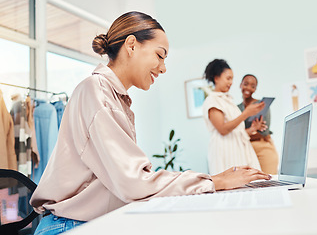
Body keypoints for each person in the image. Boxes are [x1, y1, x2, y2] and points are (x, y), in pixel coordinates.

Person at [29, 12, 270, 235]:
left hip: (91, 221)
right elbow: (134, 183)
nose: (163, 68)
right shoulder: (96, 91)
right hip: (69, 226)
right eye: (160, 55)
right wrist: (213, 181)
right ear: (131, 45)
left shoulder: (115, 98)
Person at [202, 59, 267, 175]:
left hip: (236, 149)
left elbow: (235, 132)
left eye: (232, 79)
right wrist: (246, 113)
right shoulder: (212, 101)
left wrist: (252, 129)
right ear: (216, 78)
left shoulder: (227, 100)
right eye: (228, 78)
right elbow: (222, 129)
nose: (231, 82)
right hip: (224, 151)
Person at [238, 74, 279, 174]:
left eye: (252, 86)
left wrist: (243, 134)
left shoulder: (261, 105)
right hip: (244, 150)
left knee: (269, 181)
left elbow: (264, 132)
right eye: (246, 84)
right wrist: (253, 130)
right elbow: (234, 132)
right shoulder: (236, 108)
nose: (248, 88)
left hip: (263, 148)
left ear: (255, 89)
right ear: (240, 85)